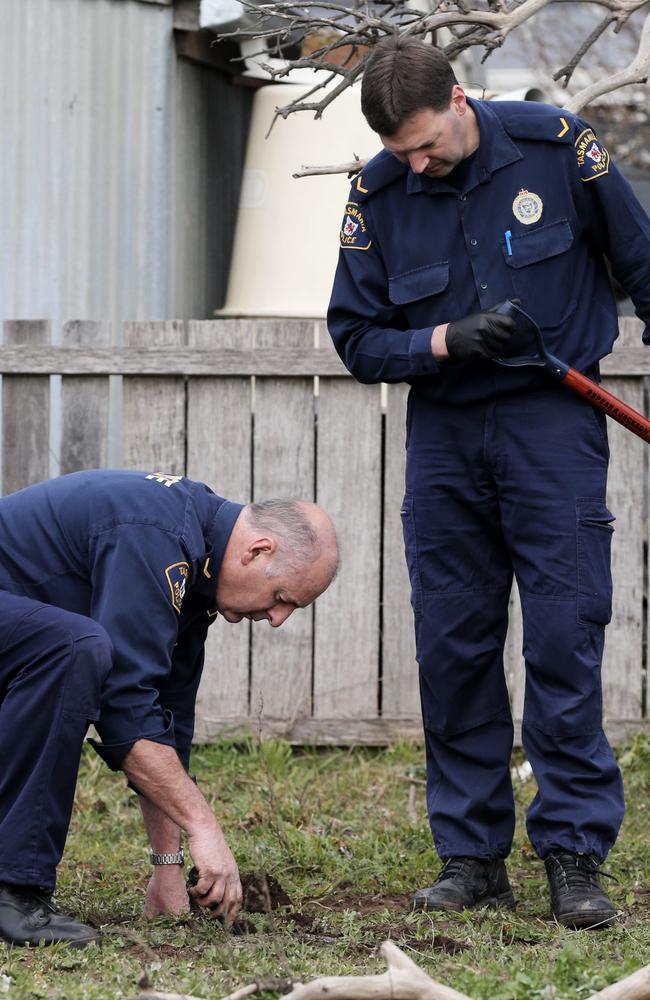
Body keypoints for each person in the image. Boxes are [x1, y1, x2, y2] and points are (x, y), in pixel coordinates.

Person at [328, 35, 650, 928]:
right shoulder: (380, 193)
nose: (419, 164)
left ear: (462, 100)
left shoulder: (560, 149)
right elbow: (354, 337)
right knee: (455, 646)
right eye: (403, 154)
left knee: (561, 638)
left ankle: (575, 856)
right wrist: (441, 341)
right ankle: (472, 856)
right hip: (446, 433)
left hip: (553, 419)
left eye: (428, 144)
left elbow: (644, 265)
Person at [0, 468, 339, 948]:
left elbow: (162, 721)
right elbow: (122, 709)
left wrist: (168, 867)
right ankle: (13, 888)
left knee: (73, 650)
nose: (277, 619)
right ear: (258, 550)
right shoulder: (156, 537)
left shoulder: (195, 563)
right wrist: (204, 825)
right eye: (283, 597)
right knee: (74, 647)